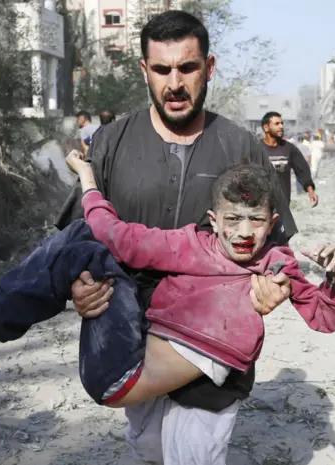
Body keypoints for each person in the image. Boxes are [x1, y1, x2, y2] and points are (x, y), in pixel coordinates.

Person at [53, 10, 317, 464]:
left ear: (208, 68)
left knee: (194, 455)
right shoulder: (109, 144)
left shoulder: (240, 148)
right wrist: (80, 285)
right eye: (161, 69)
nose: (174, 82)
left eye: (187, 68)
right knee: (151, 448)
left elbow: (277, 245)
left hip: (208, 339)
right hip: (129, 336)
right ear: (144, 71)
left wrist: (277, 283)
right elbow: (78, 238)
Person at [0, 159, 335, 409]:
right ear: (213, 220)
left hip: (118, 377)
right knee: (88, 238)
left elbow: (325, 317)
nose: (244, 232)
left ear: (271, 223)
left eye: (255, 221)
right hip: (125, 357)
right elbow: (119, 236)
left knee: (84, 243)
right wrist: (89, 184)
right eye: (233, 220)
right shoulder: (189, 245)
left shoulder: (277, 263)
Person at [260, 111, 318, 207]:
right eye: (277, 124)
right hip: (260, 208)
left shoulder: (289, 148)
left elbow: (302, 169)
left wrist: (310, 190)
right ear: (266, 127)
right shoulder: (256, 149)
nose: (281, 126)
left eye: (282, 123)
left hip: (283, 206)